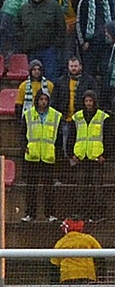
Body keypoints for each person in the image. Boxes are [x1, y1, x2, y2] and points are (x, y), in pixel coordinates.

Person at [21, 89, 61, 222]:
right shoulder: (28, 114)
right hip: (32, 155)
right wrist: (24, 147)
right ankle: (30, 214)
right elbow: (22, 133)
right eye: (41, 99)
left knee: (48, 187)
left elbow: (59, 137)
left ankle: (50, 214)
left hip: (48, 156)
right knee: (31, 186)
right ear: (36, 100)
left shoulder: (55, 115)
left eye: (45, 99)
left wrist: (57, 151)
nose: (43, 102)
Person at [69, 88, 110, 218]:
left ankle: (99, 213)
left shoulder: (103, 117)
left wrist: (105, 155)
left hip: (97, 158)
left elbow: (109, 138)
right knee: (81, 187)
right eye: (86, 101)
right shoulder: (77, 117)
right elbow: (71, 137)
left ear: (94, 102)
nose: (88, 103)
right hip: (81, 157)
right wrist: (71, 155)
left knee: (97, 187)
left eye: (90, 101)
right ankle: (81, 212)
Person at [51, 219, 102, 284]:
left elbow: (54, 264)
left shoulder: (61, 242)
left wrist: (54, 284)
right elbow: (100, 257)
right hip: (87, 275)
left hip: (67, 276)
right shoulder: (89, 239)